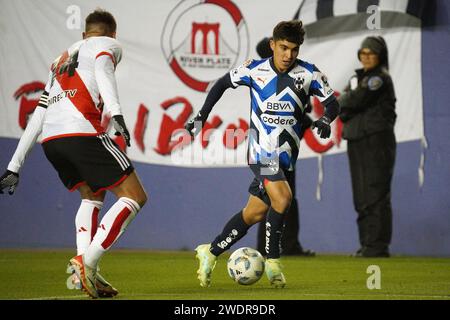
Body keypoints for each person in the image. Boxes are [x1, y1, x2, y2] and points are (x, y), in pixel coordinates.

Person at [0, 9, 148, 298]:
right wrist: (117, 114)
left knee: (92, 197)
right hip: (82, 133)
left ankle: (86, 276)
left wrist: (14, 166)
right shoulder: (108, 45)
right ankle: (86, 262)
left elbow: (40, 112)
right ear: (112, 34)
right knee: (135, 195)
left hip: (52, 141)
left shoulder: (60, 61)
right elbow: (104, 68)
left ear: (83, 34)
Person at [185, 20, 339, 288]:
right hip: (259, 152)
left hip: (284, 159)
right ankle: (273, 263)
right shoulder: (254, 70)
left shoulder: (310, 74)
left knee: (254, 213)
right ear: (272, 45)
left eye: (293, 49)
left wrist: (326, 120)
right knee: (283, 199)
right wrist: (200, 118)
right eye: (283, 48)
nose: (288, 55)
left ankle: (210, 252)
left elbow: (333, 103)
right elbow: (221, 84)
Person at [255, 37, 315, 257]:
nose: (288, 56)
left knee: (283, 196)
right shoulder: (264, 79)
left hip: (286, 146)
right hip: (267, 147)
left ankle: (284, 245)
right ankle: (272, 247)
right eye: (283, 50)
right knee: (273, 197)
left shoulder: (288, 78)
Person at [339, 36, 396, 258]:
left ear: (380, 56)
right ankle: (367, 244)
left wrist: (348, 101)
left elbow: (354, 101)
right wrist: (348, 101)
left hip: (376, 142)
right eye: (363, 53)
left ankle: (378, 246)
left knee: (376, 192)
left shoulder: (379, 79)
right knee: (361, 195)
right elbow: (343, 109)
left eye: (371, 53)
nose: (366, 57)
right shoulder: (356, 78)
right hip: (356, 140)